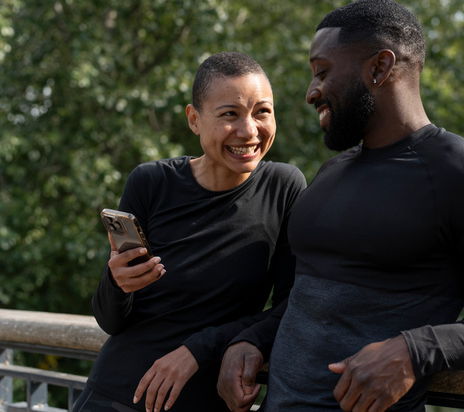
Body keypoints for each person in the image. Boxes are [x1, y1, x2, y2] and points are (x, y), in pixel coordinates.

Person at [217, 0, 464, 412]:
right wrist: (253, 339)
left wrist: (414, 350)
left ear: (380, 68)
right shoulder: (330, 175)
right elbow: (312, 304)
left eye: (322, 73)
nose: (311, 93)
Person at [75, 52, 306, 412]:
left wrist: (198, 349)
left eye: (262, 111)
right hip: (116, 395)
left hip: (208, 398)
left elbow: (294, 305)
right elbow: (110, 320)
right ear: (194, 120)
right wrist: (116, 282)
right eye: (230, 114)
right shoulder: (150, 182)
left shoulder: (284, 187)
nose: (249, 130)